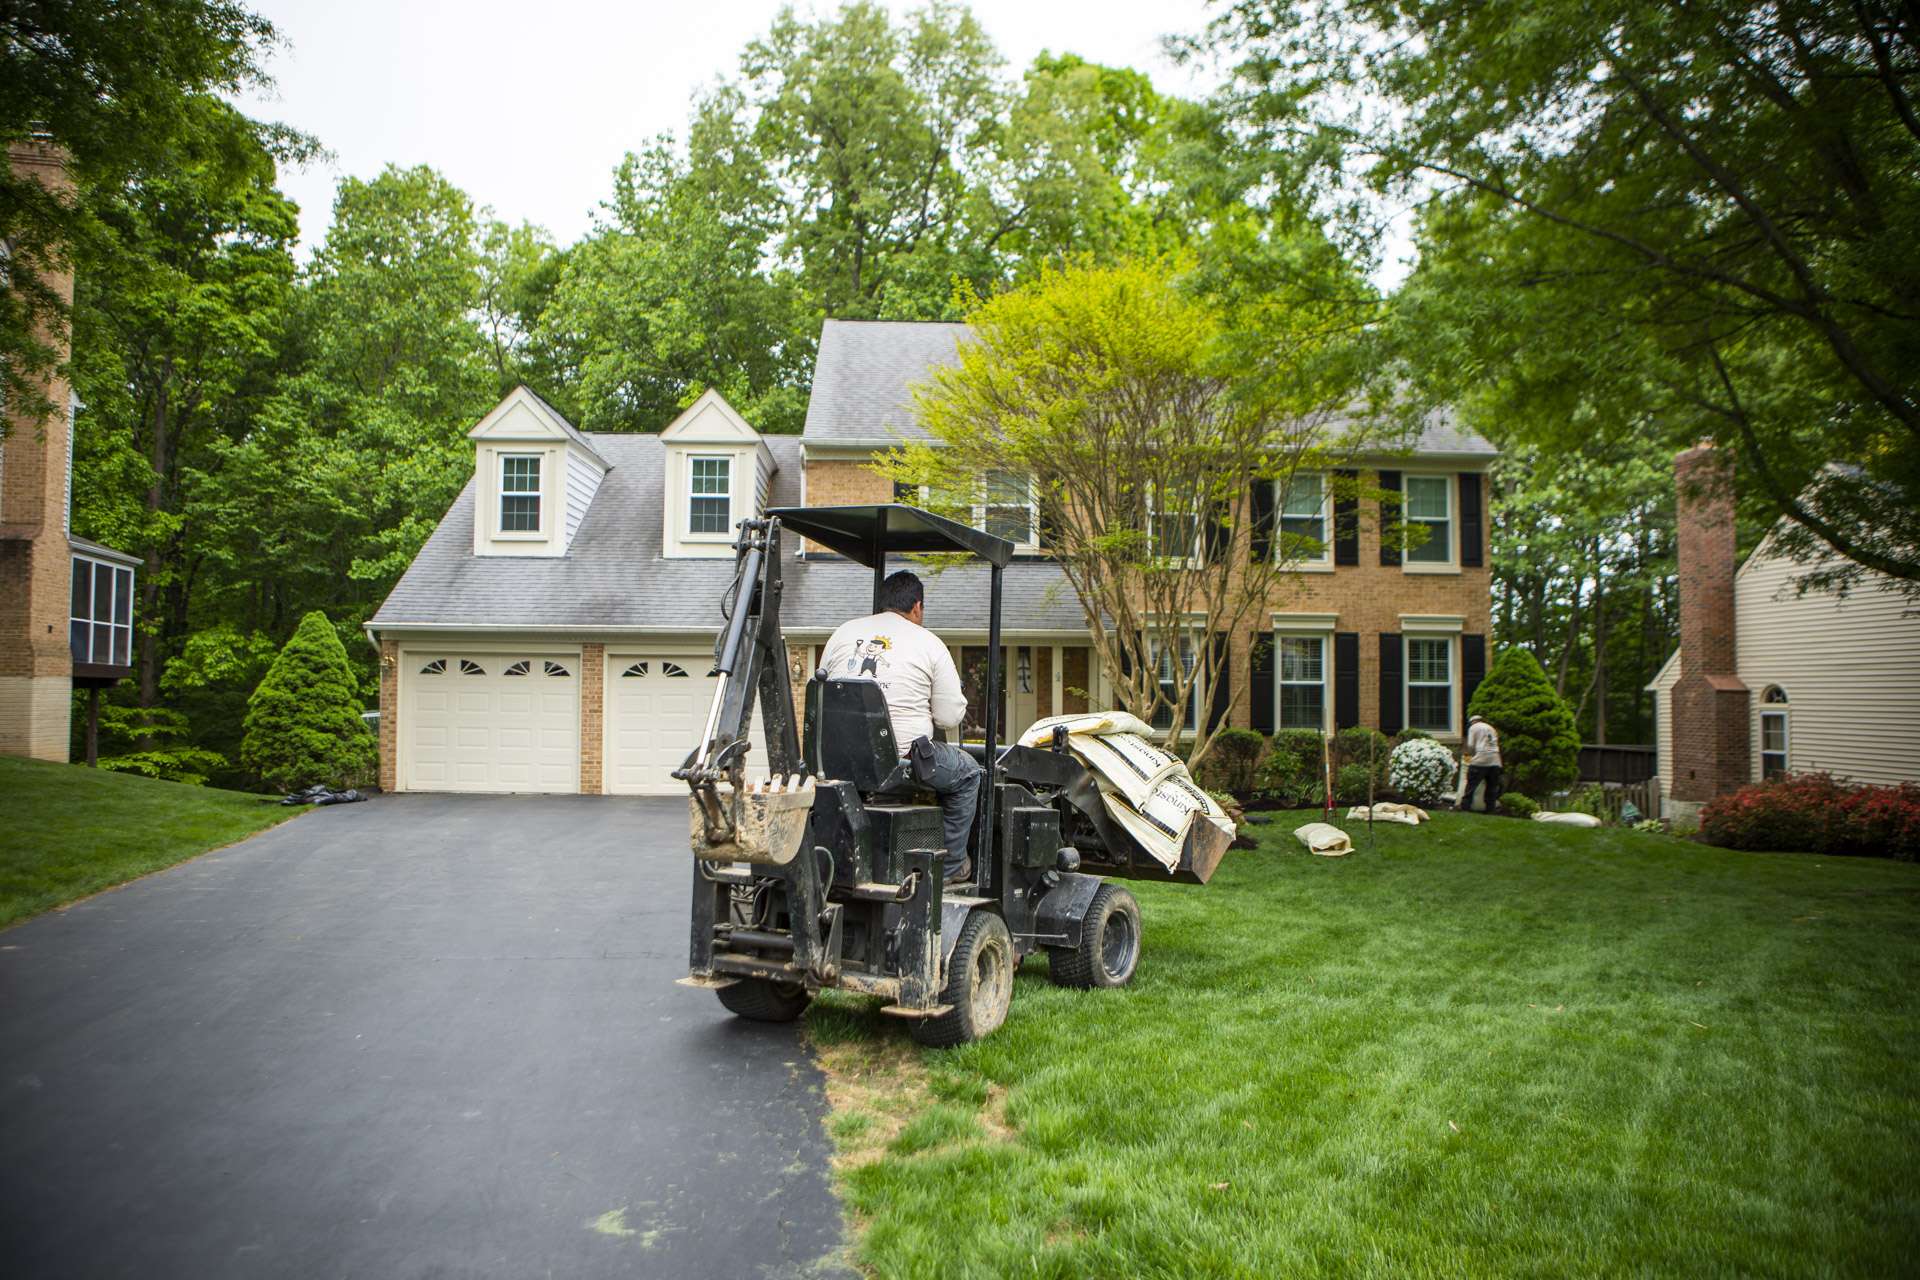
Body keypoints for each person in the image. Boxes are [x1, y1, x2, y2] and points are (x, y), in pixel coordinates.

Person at [819, 571, 979, 884]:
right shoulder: (929, 643)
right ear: (917, 606)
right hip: (899, 762)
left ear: (882, 603)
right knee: (970, 773)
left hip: (838, 759)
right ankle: (952, 866)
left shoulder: (843, 633)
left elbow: (823, 686)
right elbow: (948, 718)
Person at [1462, 713, 1504, 812]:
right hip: (1495, 760)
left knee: (1471, 785)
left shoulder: (1473, 728)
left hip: (1481, 759)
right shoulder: (1491, 728)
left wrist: (1471, 755)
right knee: (1492, 787)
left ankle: (1466, 807)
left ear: (1472, 722)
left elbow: (1471, 745)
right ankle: (1490, 809)